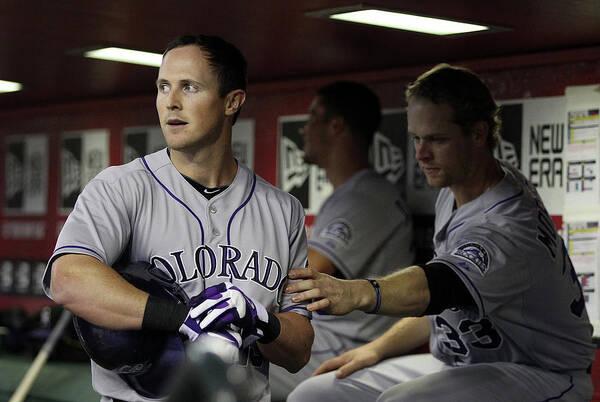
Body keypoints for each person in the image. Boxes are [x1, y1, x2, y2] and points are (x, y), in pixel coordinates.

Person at [285, 64, 595, 402]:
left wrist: (358, 292)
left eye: (437, 139)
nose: (421, 154)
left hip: (539, 372)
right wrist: (375, 350)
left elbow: (436, 287)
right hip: (465, 362)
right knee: (316, 394)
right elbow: (447, 308)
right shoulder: (456, 189)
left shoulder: (506, 222)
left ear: (478, 134)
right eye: (417, 138)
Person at [42, 34, 313, 402]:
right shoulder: (121, 187)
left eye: (189, 87)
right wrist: (179, 317)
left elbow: (298, 353)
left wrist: (265, 323)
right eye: (163, 87)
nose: (171, 102)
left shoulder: (284, 211)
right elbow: (67, 278)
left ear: (232, 101)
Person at [269, 81, 415, 400]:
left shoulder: (367, 197)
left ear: (336, 126)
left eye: (312, 119)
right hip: (330, 335)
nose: (304, 130)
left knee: (233, 363)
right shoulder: (353, 192)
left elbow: (301, 275)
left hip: (352, 345)